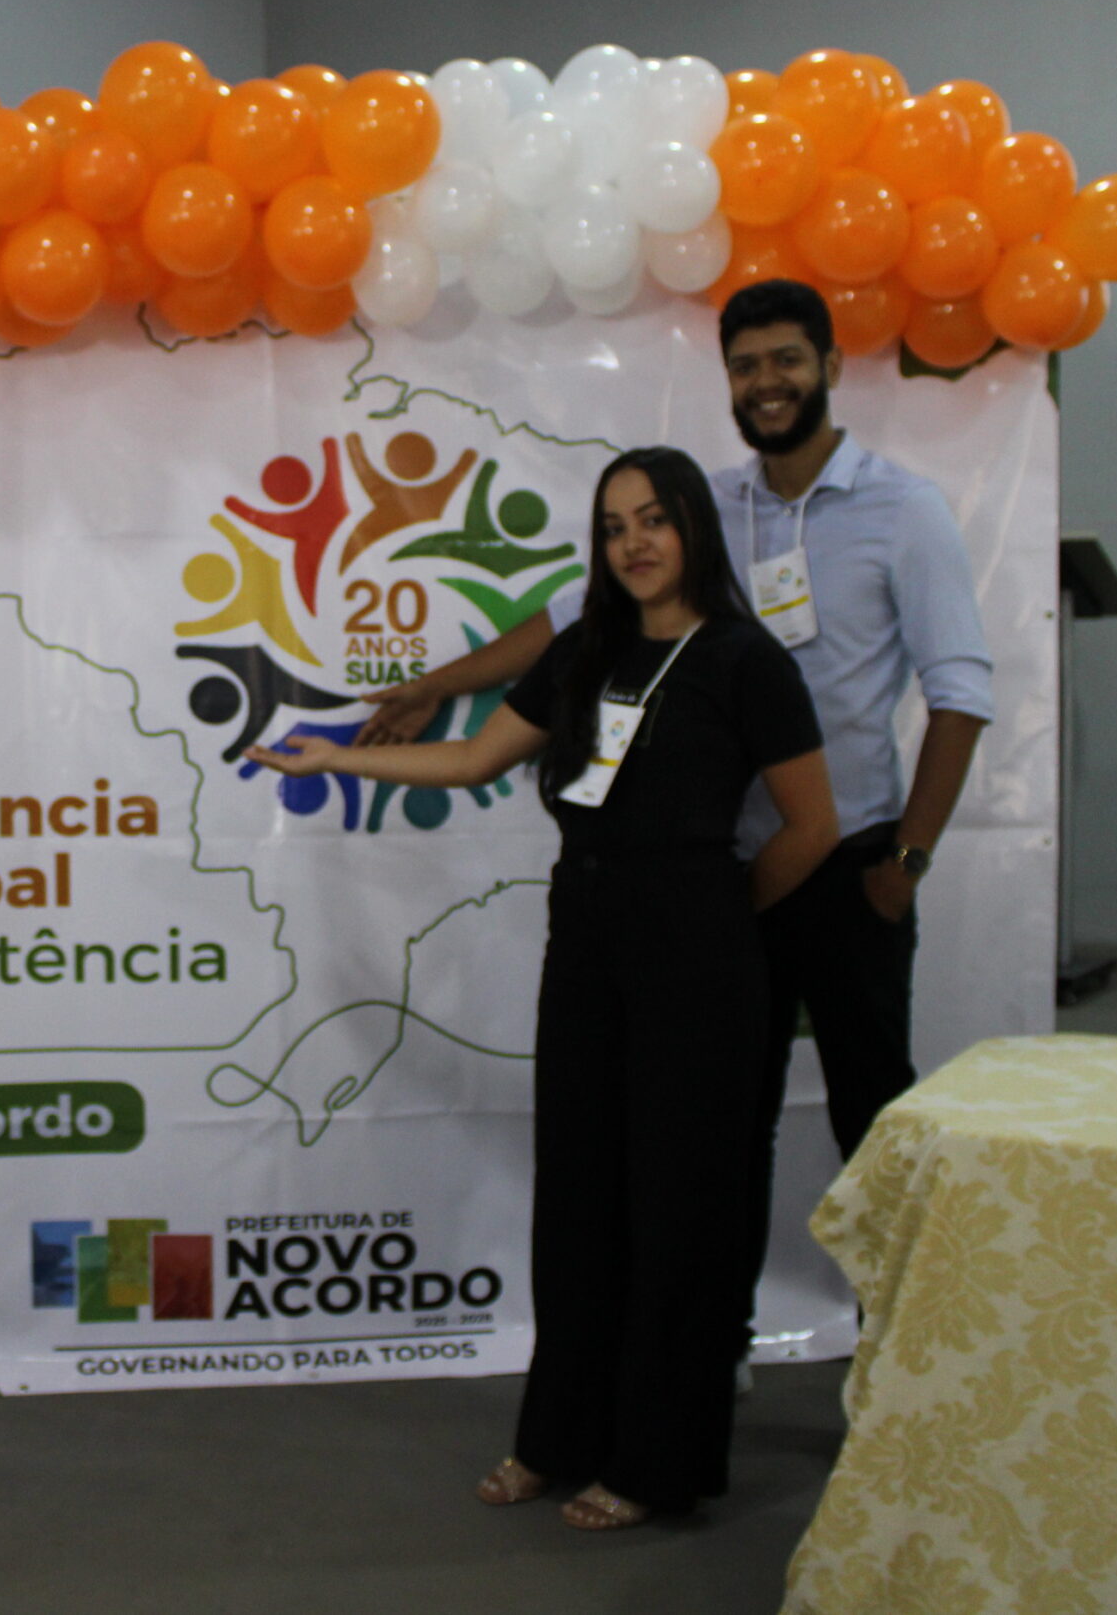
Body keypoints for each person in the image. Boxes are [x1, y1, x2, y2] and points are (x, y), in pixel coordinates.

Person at [248, 447, 836, 1529]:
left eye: (653, 519)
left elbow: (812, 827)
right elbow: (472, 760)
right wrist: (330, 759)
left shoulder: (744, 658)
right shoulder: (584, 648)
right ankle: (556, 1439)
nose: (634, 543)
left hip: (698, 956)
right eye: (613, 527)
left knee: (677, 1213)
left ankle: (655, 1464)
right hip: (587, 941)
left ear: (694, 527)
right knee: (577, 1197)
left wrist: (717, 923)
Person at [357, 279, 992, 1174]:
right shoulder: (706, 508)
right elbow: (578, 619)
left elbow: (960, 692)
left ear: (831, 365)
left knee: (871, 1110)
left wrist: (905, 865)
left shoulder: (904, 510)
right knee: (727, 1120)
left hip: (847, 865)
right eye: (745, 366)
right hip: (723, 875)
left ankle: (897, 1277)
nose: (766, 382)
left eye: (786, 360)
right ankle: (722, 1274)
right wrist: (438, 684)